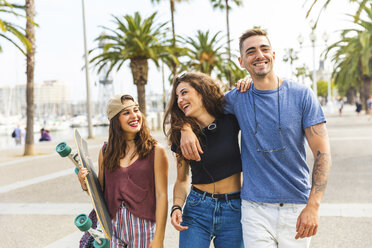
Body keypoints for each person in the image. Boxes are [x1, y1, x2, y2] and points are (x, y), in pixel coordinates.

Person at [180, 29, 332, 248]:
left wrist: (313, 206)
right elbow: (197, 107)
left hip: (295, 206)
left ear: (273, 54)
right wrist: (185, 127)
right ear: (242, 61)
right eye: (251, 52)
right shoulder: (236, 98)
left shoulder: (302, 95)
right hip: (254, 209)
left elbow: (323, 153)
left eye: (264, 49)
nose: (259, 55)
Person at [163, 72, 248, 248]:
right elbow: (181, 179)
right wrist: (176, 207)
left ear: (201, 92)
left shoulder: (230, 119)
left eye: (184, 92)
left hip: (234, 209)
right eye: (177, 96)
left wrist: (247, 81)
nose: (180, 99)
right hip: (197, 208)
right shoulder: (182, 135)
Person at [78, 94, 169, 248]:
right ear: (115, 120)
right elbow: (100, 195)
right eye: (126, 113)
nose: (134, 116)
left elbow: (162, 196)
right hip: (111, 227)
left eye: (136, 110)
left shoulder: (155, 151)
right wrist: (85, 184)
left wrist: (159, 238)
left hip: (143, 228)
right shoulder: (106, 151)